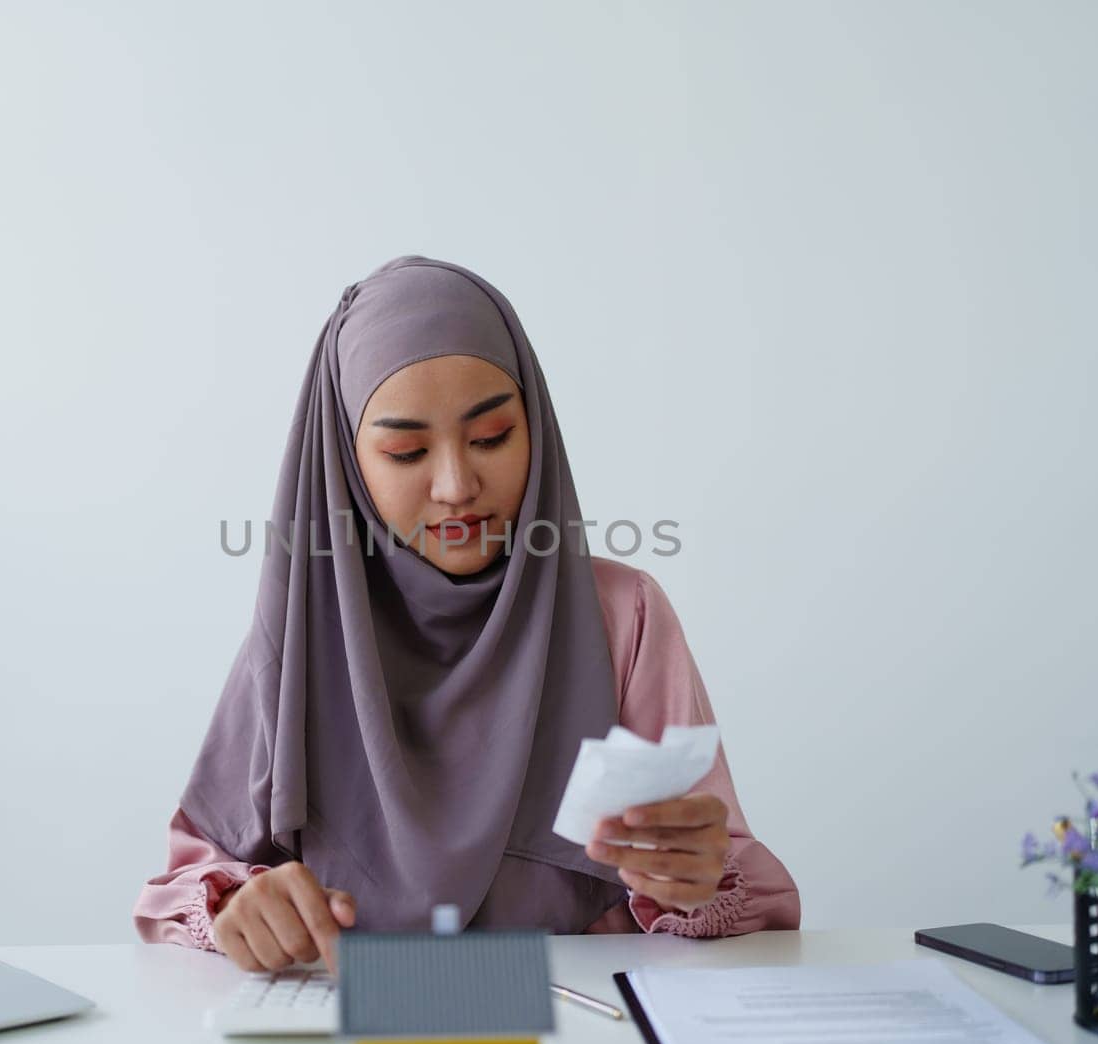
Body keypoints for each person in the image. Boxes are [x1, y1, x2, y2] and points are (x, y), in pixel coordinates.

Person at [133, 255, 800, 974]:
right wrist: (240, 904)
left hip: (587, 1035)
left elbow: (737, 889)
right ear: (347, 467)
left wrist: (696, 879)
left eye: (491, 437)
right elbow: (184, 884)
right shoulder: (303, 634)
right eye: (406, 450)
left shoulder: (623, 617)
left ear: (535, 431)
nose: (457, 485)